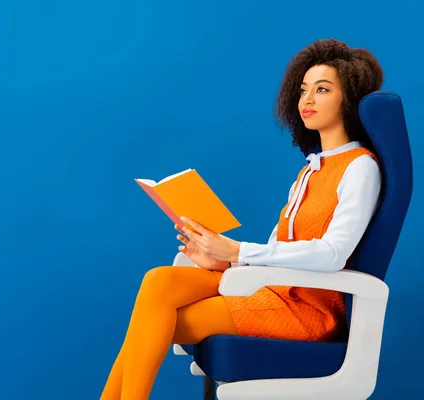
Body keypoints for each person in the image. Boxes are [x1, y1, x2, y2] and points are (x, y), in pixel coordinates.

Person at [99, 38, 384, 400]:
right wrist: (220, 258)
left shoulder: (360, 167)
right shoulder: (309, 172)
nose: (307, 100)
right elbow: (280, 247)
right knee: (159, 282)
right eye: (303, 90)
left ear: (350, 98)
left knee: (154, 321)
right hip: (276, 290)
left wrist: (237, 251)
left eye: (322, 89)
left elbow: (332, 254)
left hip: (306, 310)